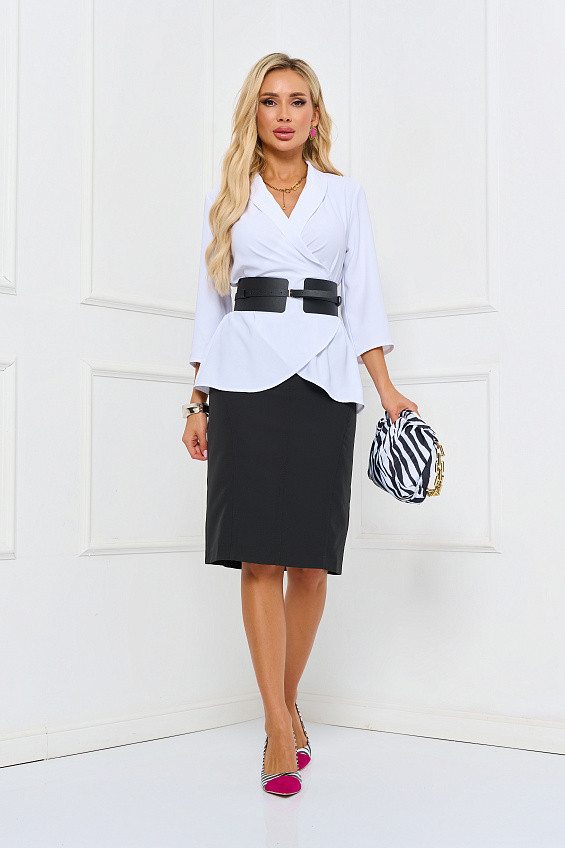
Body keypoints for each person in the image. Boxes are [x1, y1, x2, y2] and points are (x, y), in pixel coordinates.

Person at [181, 52, 419, 796]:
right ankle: (278, 727)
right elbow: (210, 304)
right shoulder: (229, 197)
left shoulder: (344, 197)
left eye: (297, 101)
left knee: (311, 562)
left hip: (323, 378)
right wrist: (198, 401)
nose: (283, 114)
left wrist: (386, 390)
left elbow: (363, 296)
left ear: (316, 116)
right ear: (252, 114)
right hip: (243, 379)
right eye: (269, 101)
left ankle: (284, 703)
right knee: (258, 558)